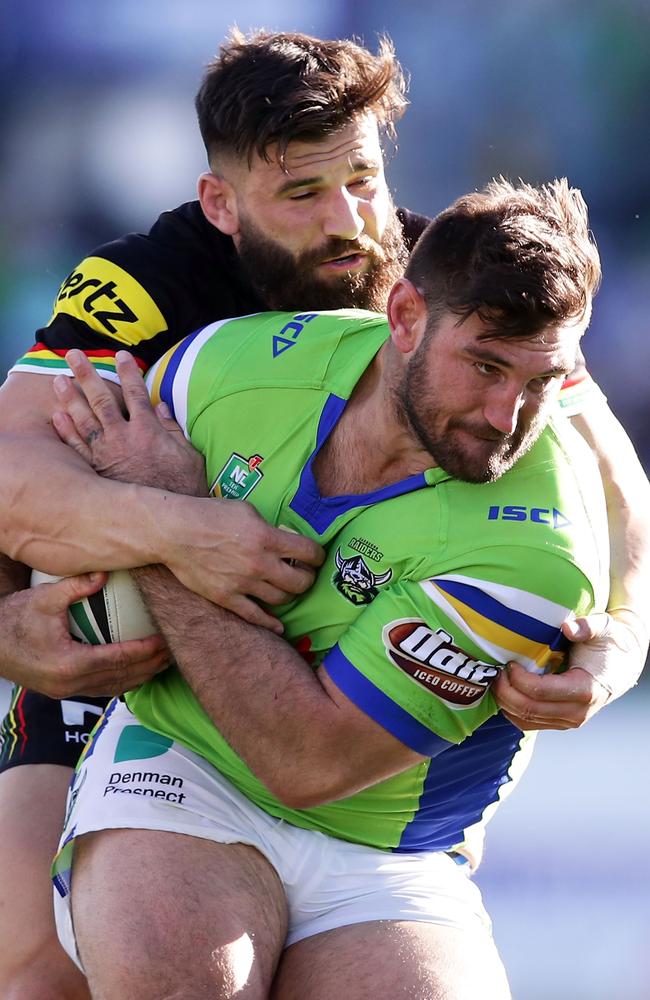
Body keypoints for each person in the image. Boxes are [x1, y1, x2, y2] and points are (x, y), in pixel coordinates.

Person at [0, 28, 647, 1000]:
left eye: (362, 180)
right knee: (36, 961)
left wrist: (618, 641)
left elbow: (607, 477)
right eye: (301, 193)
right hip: (131, 653)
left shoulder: (451, 288)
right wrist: (178, 534)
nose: (348, 220)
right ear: (220, 203)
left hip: (364, 750)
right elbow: (13, 469)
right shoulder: (150, 283)